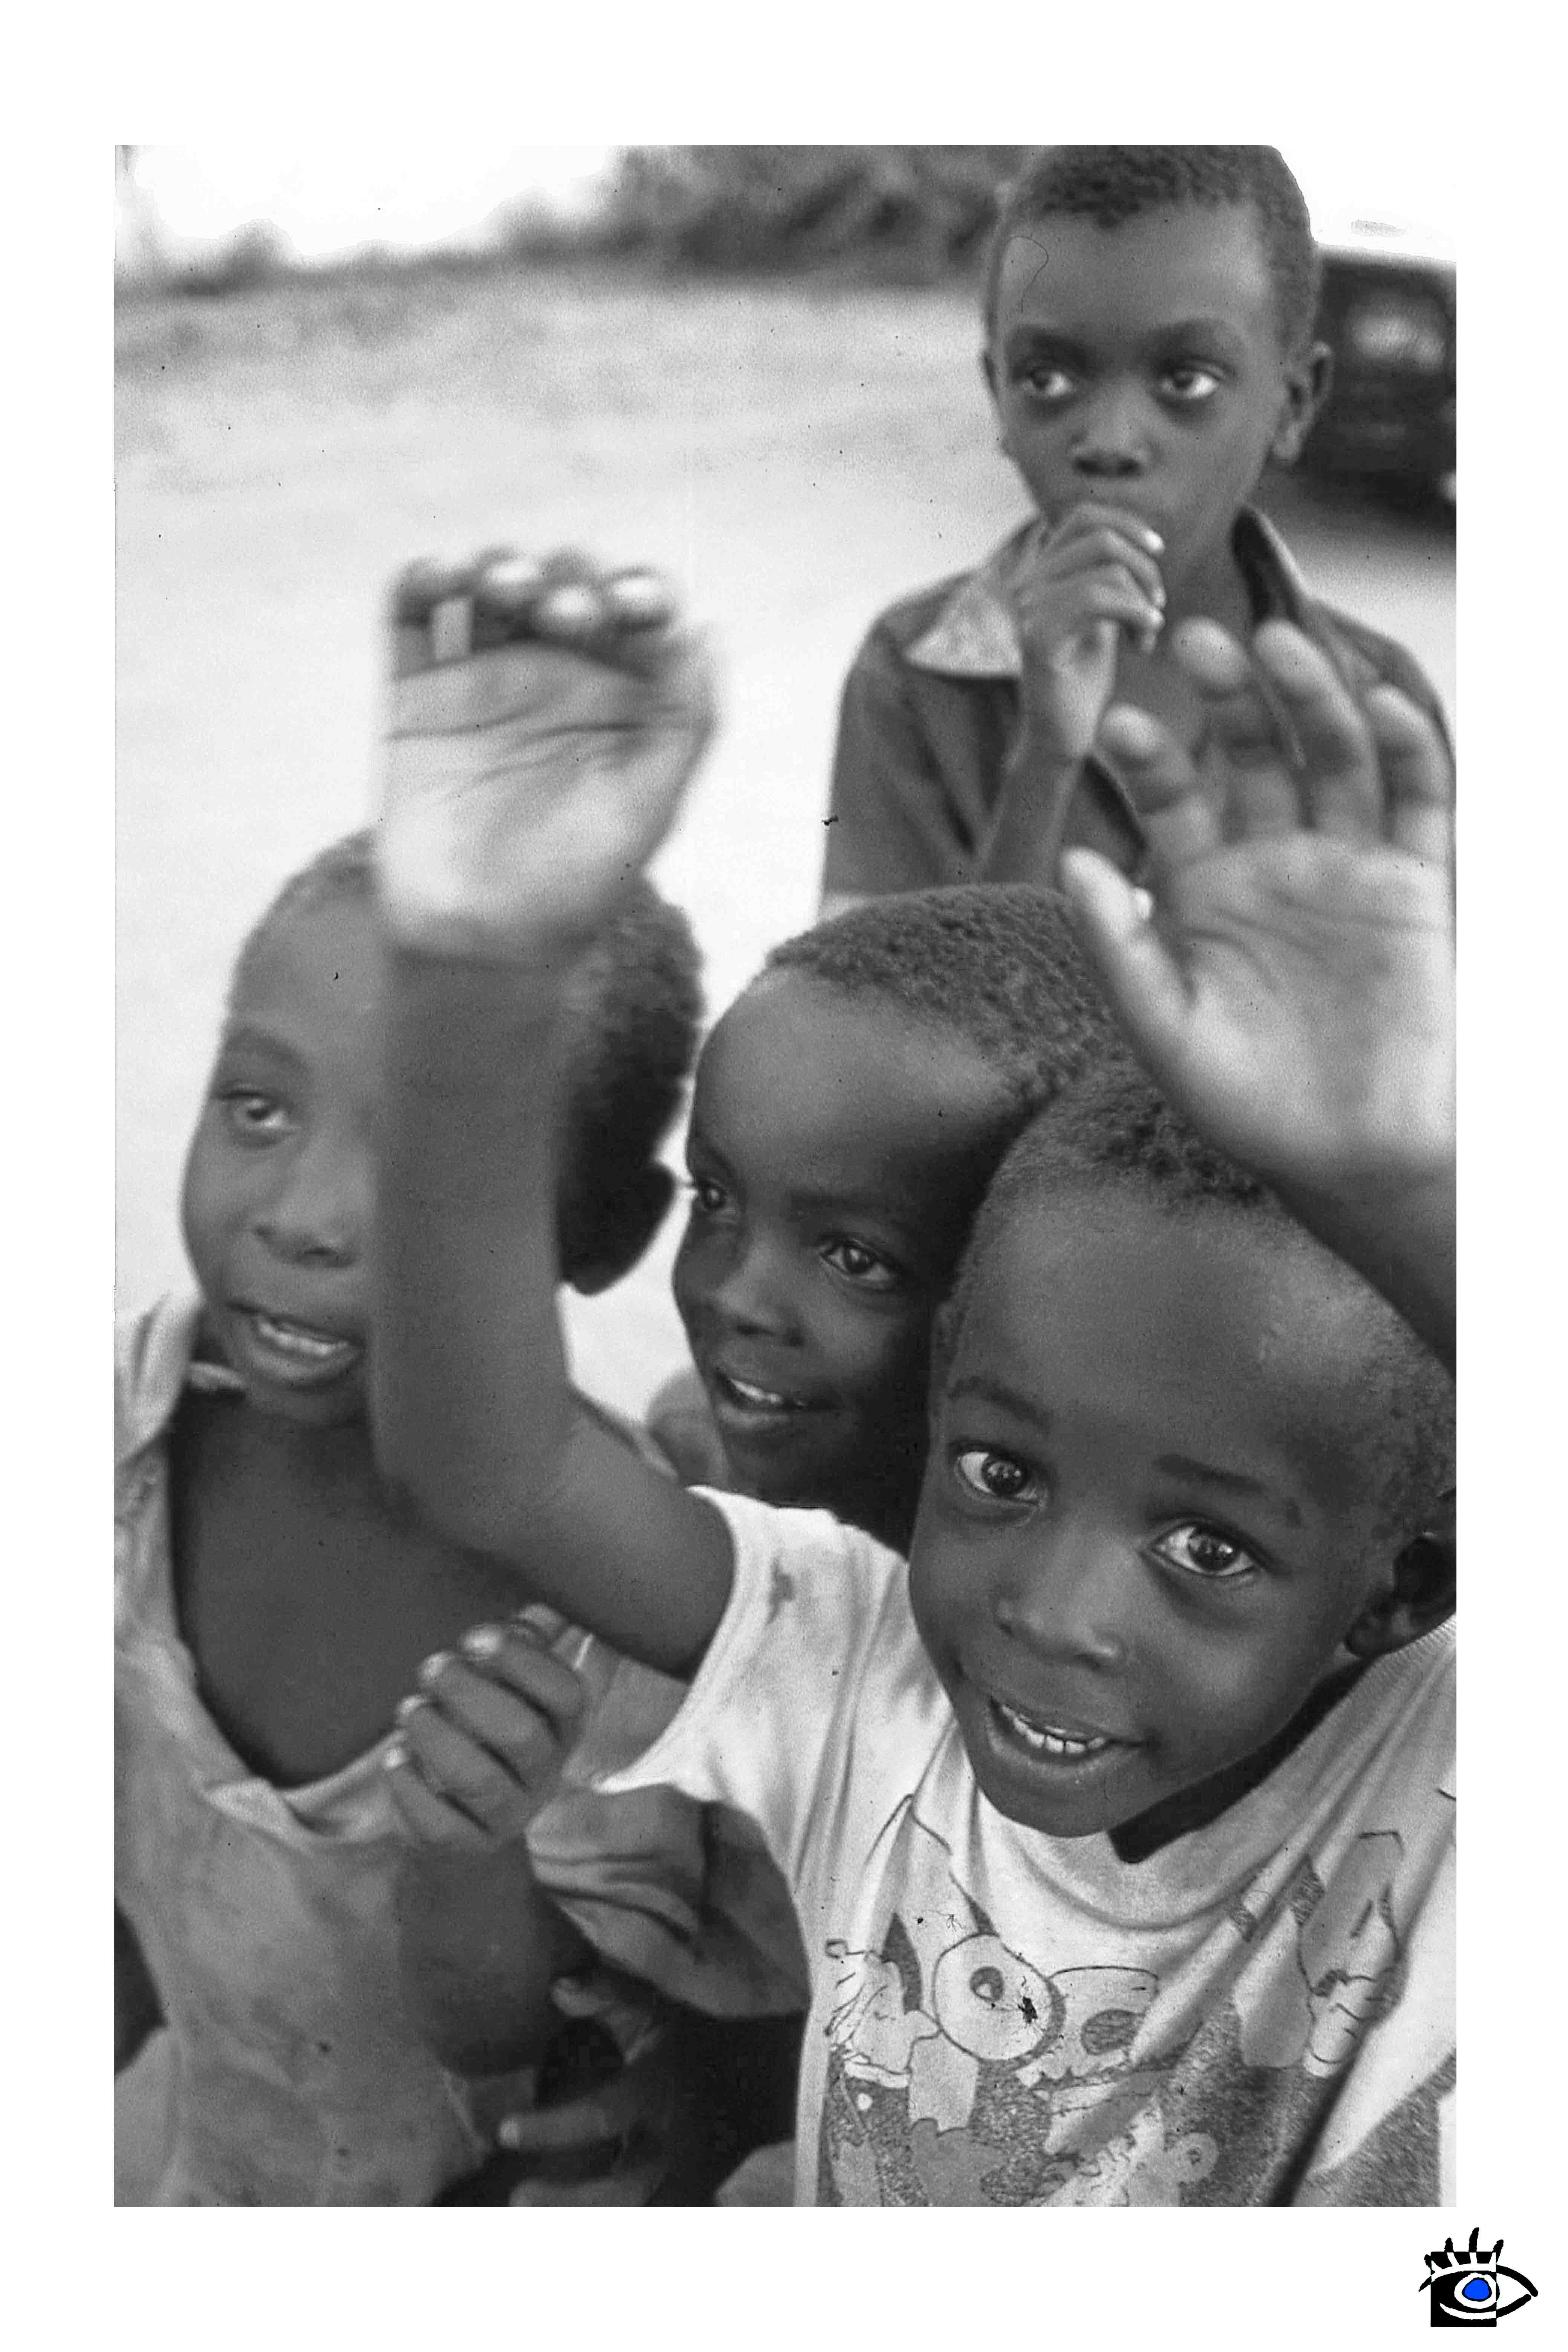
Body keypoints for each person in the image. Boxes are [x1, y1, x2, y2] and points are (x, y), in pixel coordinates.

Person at [373, 547, 1455, 2205]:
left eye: (1206, 1549)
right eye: (1000, 1474)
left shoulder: (1432, 1777)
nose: (1048, 1608)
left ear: (1400, 1590)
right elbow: (490, 1462)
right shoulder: (877, 1670)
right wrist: (474, 966)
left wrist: (1397, 1180)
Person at [115, 825, 802, 2206]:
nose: (306, 1218)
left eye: (423, 1168)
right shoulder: (122, 1437)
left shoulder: (628, 1610)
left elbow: (518, 2049)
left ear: (600, 1229)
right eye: (258, 1108)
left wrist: (474, 1841)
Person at [819, 144, 1450, 919]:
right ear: (997, 402)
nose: (1111, 440)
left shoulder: (1375, 706)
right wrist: (1043, 766)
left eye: (1184, 381)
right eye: (1046, 380)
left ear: (1293, 405)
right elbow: (868, 1032)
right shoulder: (912, 678)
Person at [643, 880, 1123, 1539]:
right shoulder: (690, 1446)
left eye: (854, 1259)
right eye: (716, 1198)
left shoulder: (996, 1623)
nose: (735, 1297)